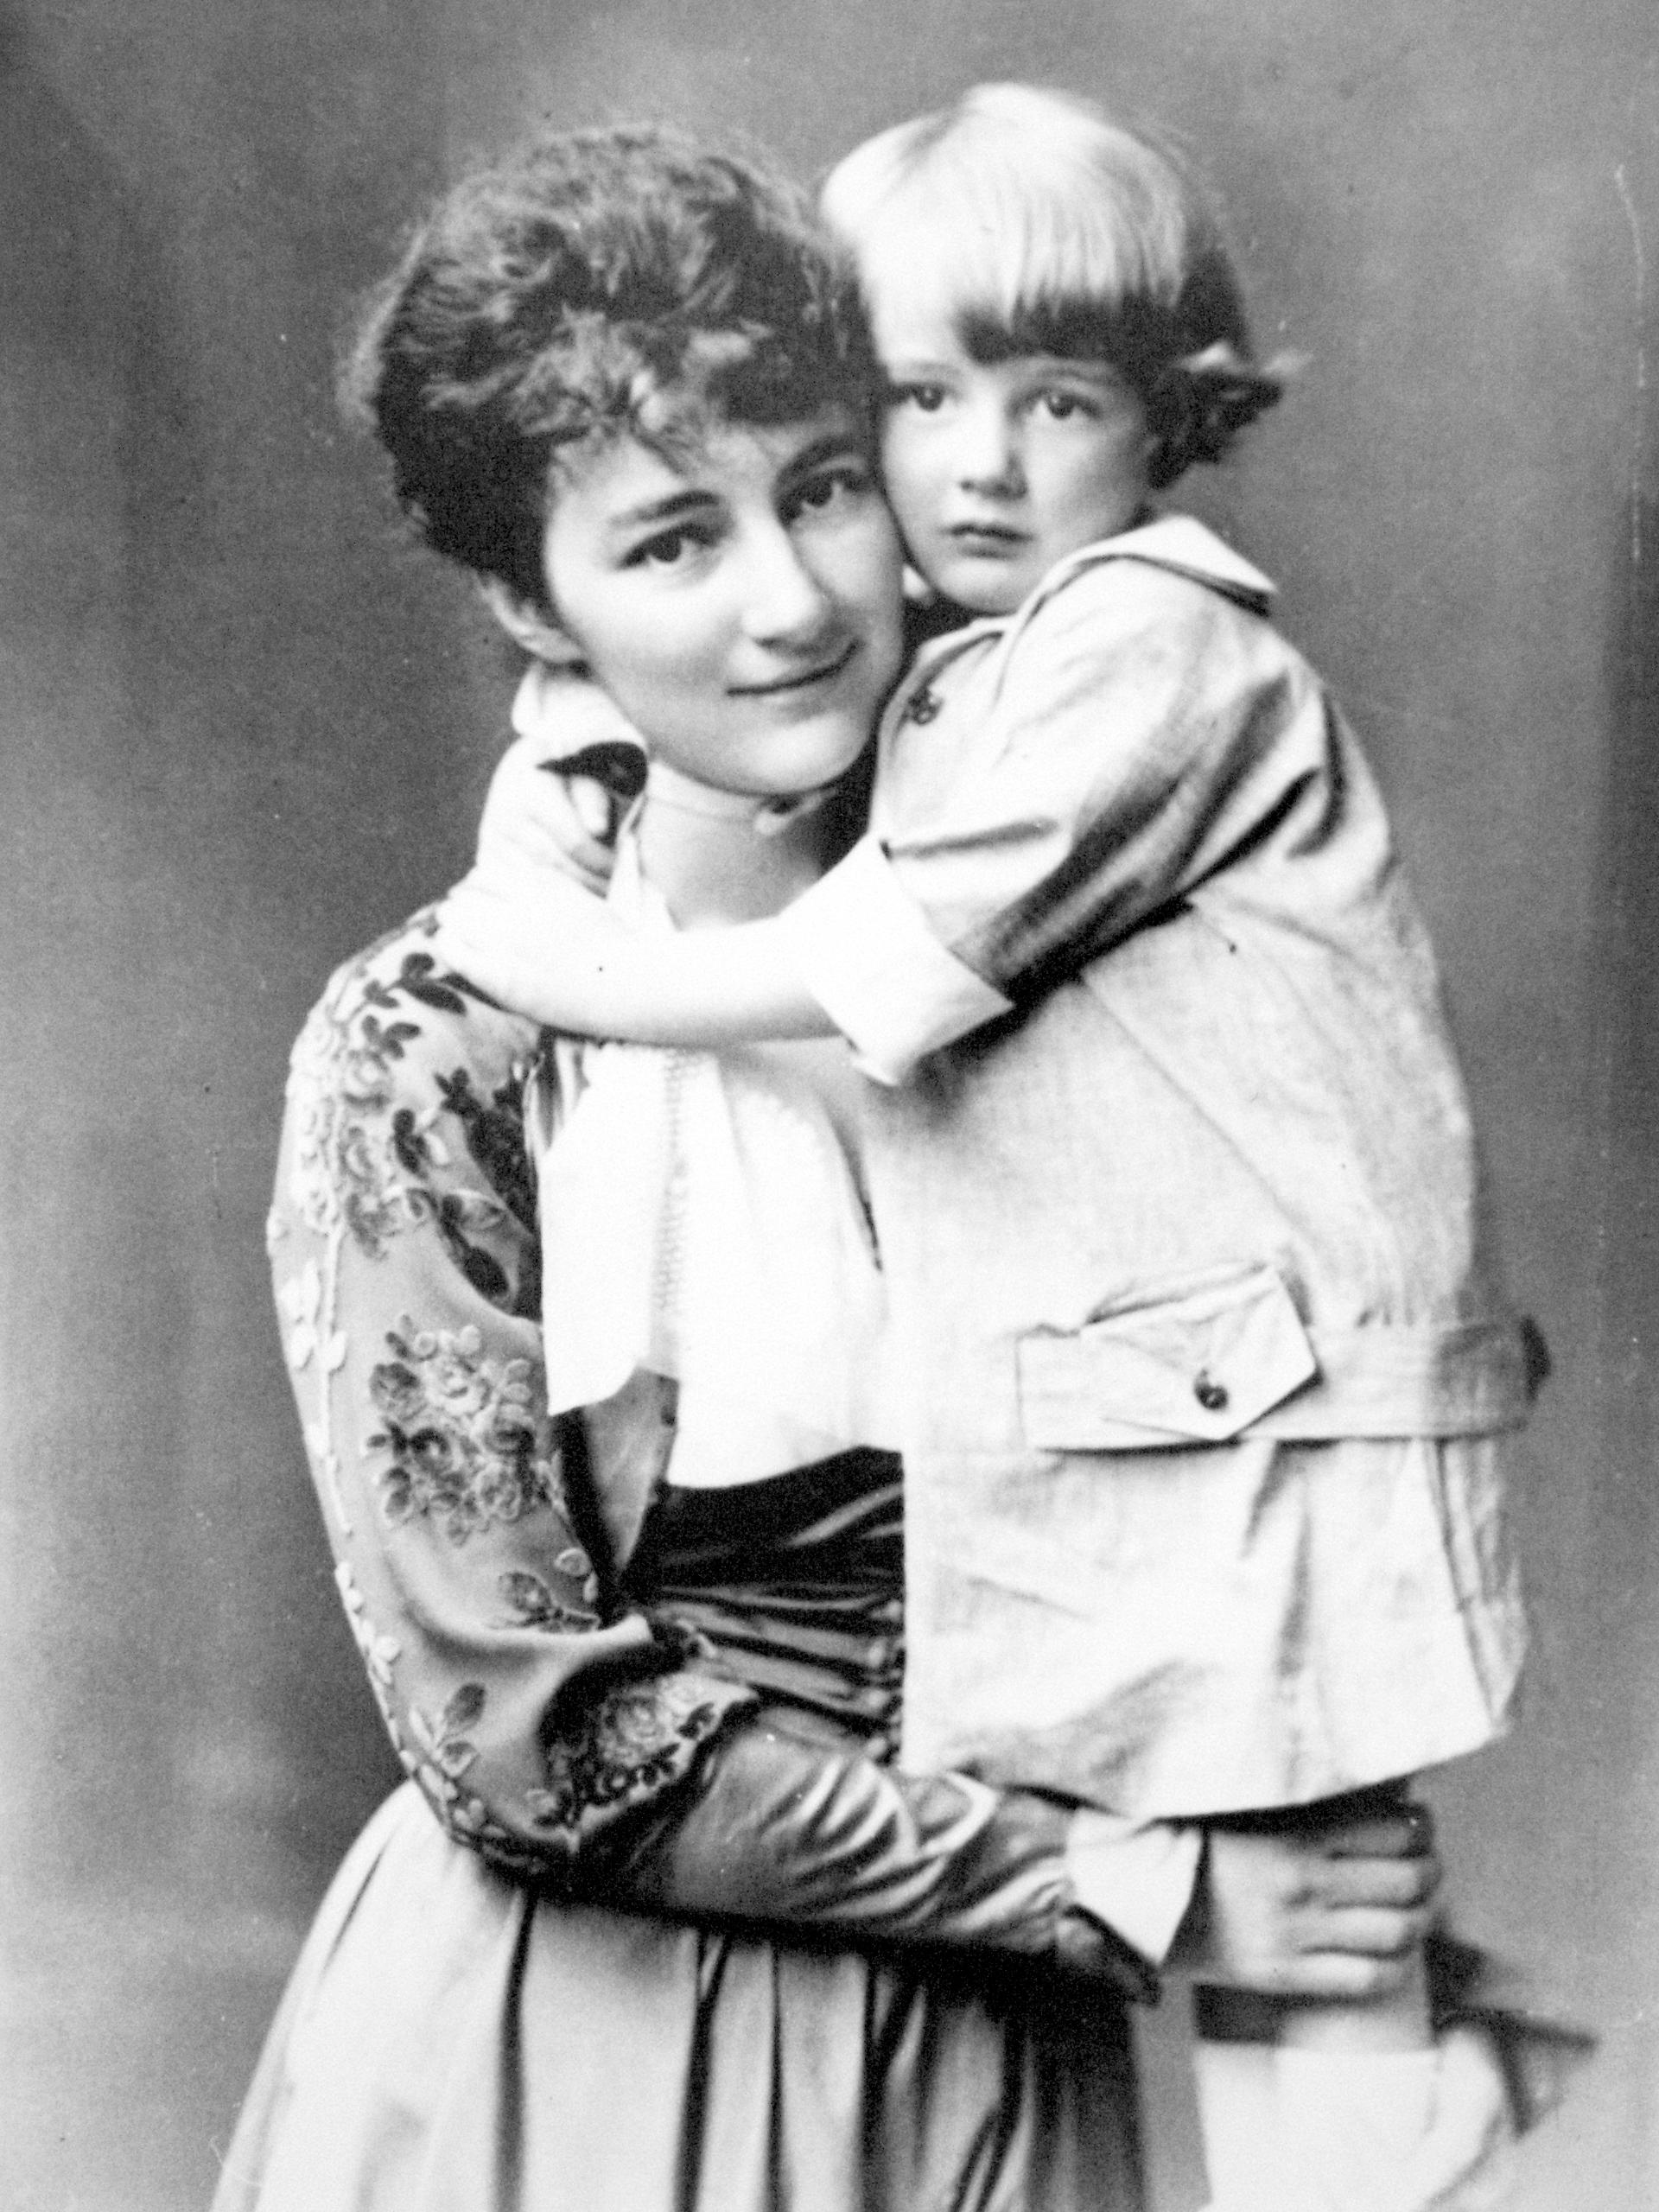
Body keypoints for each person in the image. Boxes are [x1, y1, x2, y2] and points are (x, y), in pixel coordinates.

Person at [213, 122, 1496, 2212]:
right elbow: (533, 1739)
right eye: (669, 543)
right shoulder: (436, 1047)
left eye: (821, 486)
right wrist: (1130, 1890)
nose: (797, 597)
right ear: (531, 603)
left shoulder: (1120, 972)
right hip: (576, 2056)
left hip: (999, 2075)